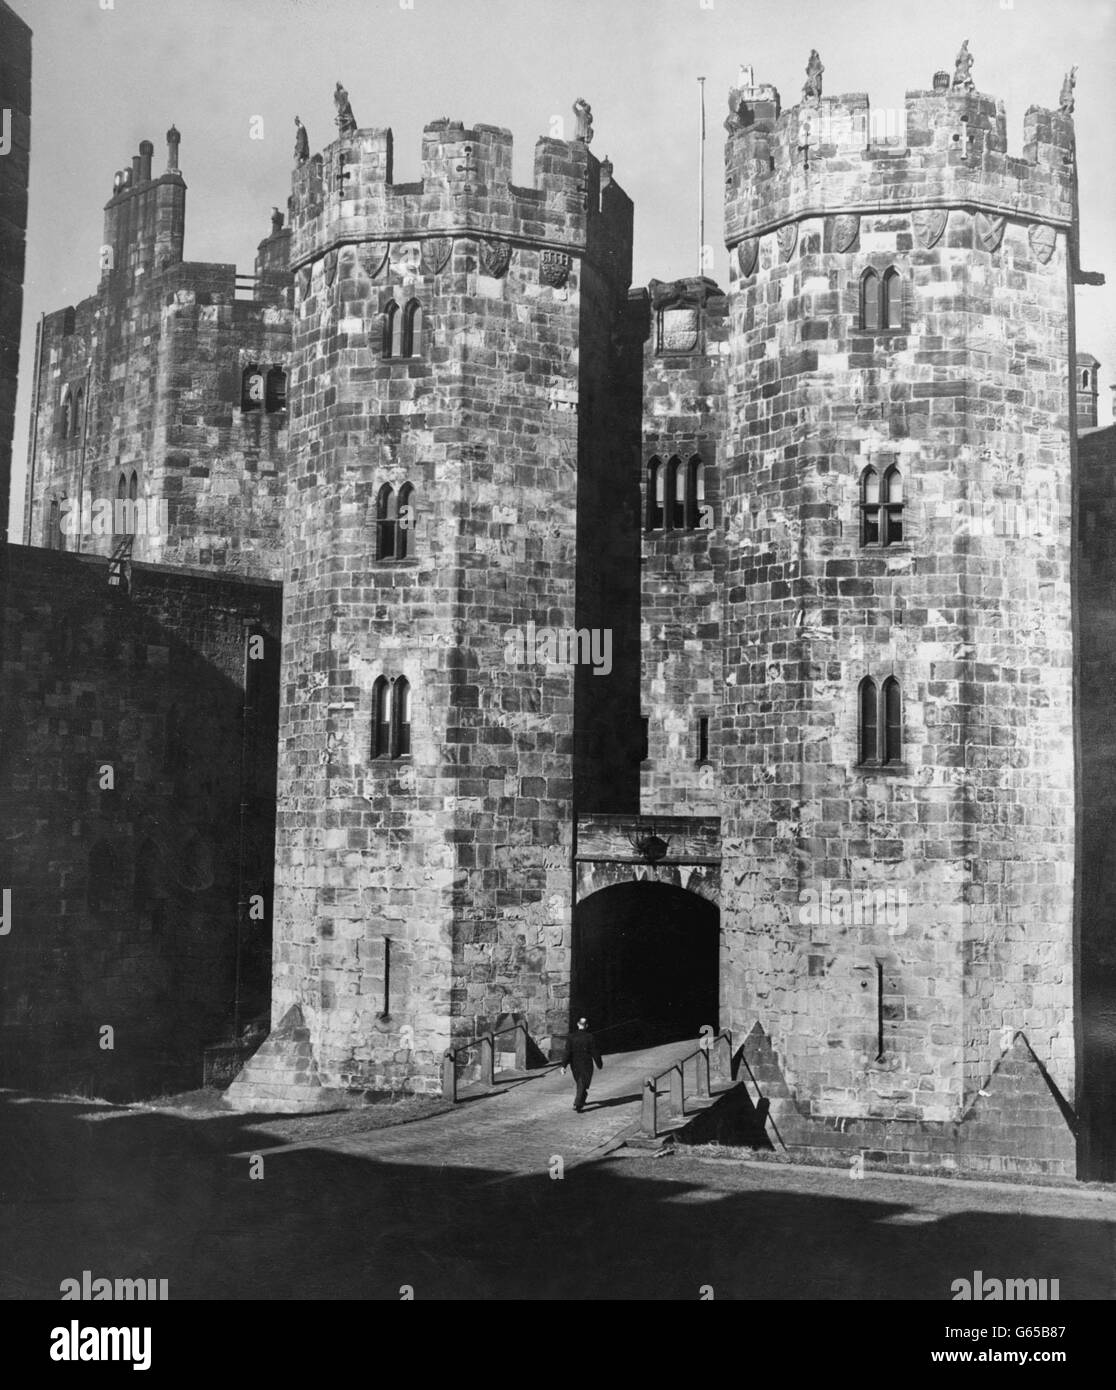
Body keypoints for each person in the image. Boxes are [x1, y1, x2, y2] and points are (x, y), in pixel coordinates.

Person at [561, 1017, 603, 1113]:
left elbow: (567, 1052)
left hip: (574, 1064)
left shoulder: (571, 1037)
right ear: (586, 1026)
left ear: (577, 1024)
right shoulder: (590, 1037)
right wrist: (599, 1063)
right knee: (582, 1082)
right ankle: (578, 1103)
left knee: (580, 1082)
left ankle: (579, 1100)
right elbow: (595, 1051)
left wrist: (563, 1065)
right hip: (586, 1063)